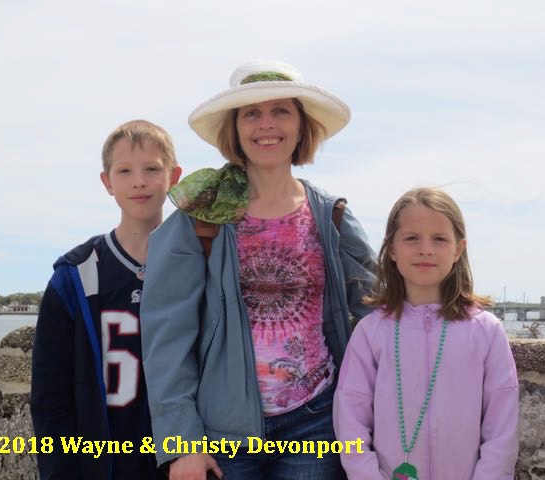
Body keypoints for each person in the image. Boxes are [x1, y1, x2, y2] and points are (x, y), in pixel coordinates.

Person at [140, 59, 376, 480]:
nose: (267, 124)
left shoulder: (331, 215)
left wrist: (459, 314)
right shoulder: (202, 216)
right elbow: (166, 337)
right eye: (252, 113)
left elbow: (382, 308)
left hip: (316, 423)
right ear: (235, 128)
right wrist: (180, 444)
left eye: (281, 111)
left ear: (302, 126)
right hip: (221, 434)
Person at [31, 120, 182, 479]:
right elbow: (50, 395)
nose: (139, 181)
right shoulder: (77, 275)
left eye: (151, 169)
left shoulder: (199, 262)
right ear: (107, 182)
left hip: (181, 457)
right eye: (125, 171)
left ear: (174, 176)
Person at [333, 187, 519, 480]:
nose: (425, 249)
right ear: (392, 249)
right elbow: (351, 419)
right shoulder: (370, 332)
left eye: (439, 239)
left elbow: (502, 428)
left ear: (458, 249)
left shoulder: (486, 331)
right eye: (411, 238)